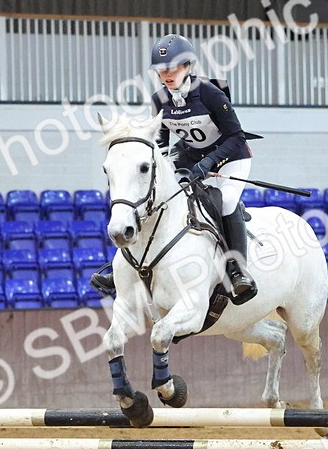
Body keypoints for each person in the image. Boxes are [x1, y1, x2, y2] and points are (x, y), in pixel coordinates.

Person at [91, 33, 256, 303]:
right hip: (192, 157)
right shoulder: (160, 100)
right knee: (159, 199)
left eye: (172, 68)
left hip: (232, 157)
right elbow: (162, 146)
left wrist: (207, 162)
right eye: (161, 70)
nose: (166, 74)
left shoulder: (211, 94)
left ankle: (237, 269)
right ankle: (123, 267)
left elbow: (236, 137)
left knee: (225, 201)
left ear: (187, 66)